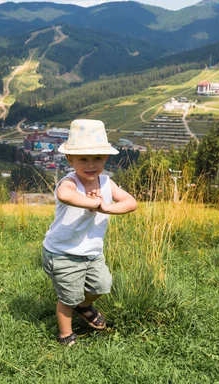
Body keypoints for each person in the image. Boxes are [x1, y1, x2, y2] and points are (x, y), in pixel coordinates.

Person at [42, 119, 137, 346]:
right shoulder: (69, 181)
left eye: (96, 158)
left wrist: (106, 207)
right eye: (83, 159)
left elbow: (131, 202)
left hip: (92, 251)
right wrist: (89, 203)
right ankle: (66, 335)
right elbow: (65, 195)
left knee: (101, 285)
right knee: (68, 297)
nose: (90, 165)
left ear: (105, 158)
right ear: (70, 159)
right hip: (62, 253)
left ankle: (83, 306)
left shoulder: (106, 182)